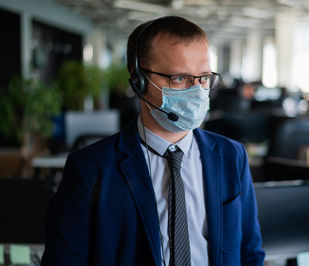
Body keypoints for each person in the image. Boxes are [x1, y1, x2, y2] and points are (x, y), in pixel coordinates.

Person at [41, 16, 265, 266]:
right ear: (138, 80)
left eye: (203, 78)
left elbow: (249, 253)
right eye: (179, 78)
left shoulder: (231, 156)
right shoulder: (89, 168)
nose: (198, 91)